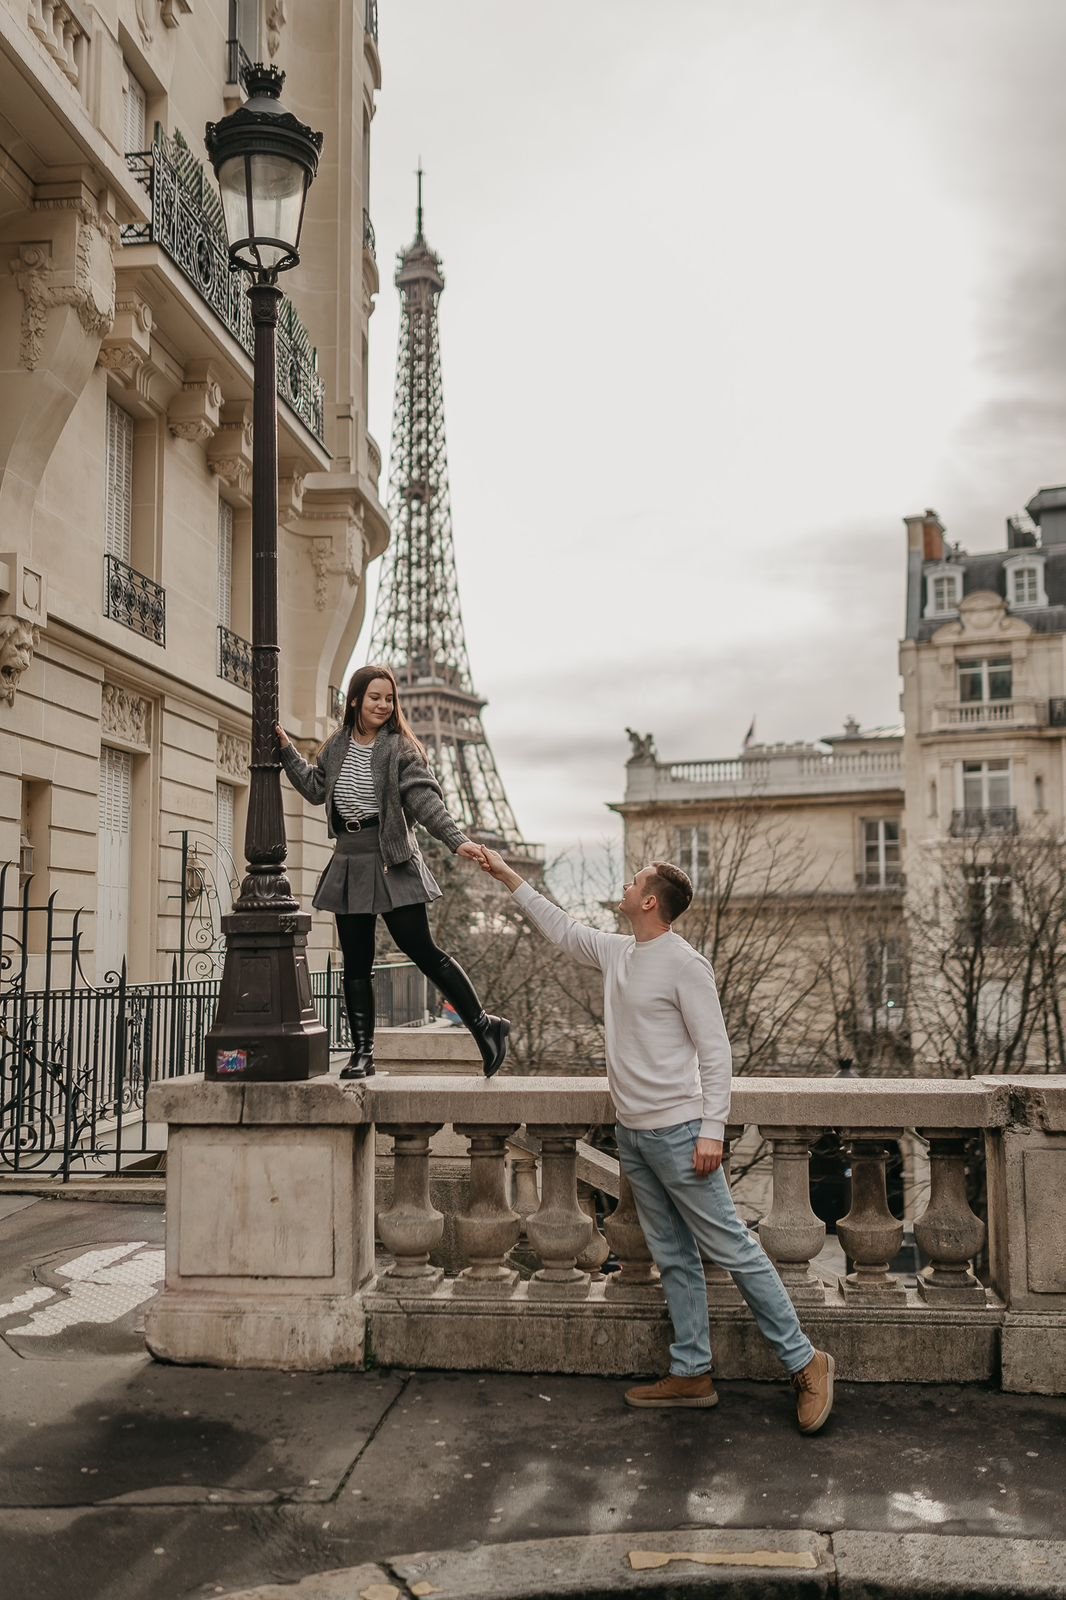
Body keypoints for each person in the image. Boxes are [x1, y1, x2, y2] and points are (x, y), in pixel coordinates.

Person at [477, 847, 835, 1433]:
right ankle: (691, 1372)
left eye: (635, 880)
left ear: (650, 901)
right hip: (635, 1136)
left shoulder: (685, 965)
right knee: (672, 1255)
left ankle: (806, 1361)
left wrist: (713, 1129)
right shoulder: (619, 951)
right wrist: (506, 874)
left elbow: (716, 1054)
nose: (624, 884)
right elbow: (561, 928)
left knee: (735, 1249)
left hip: (682, 1131)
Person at [276, 664, 510, 1080]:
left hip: (390, 859)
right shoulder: (336, 746)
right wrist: (287, 752)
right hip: (348, 859)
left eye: (388, 698)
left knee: (422, 950)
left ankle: (483, 1025)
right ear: (355, 701)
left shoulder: (400, 748)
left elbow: (425, 802)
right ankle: (362, 1052)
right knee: (356, 963)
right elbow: (315, 789)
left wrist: (458, 841)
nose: (383, 705)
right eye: (375, 698)